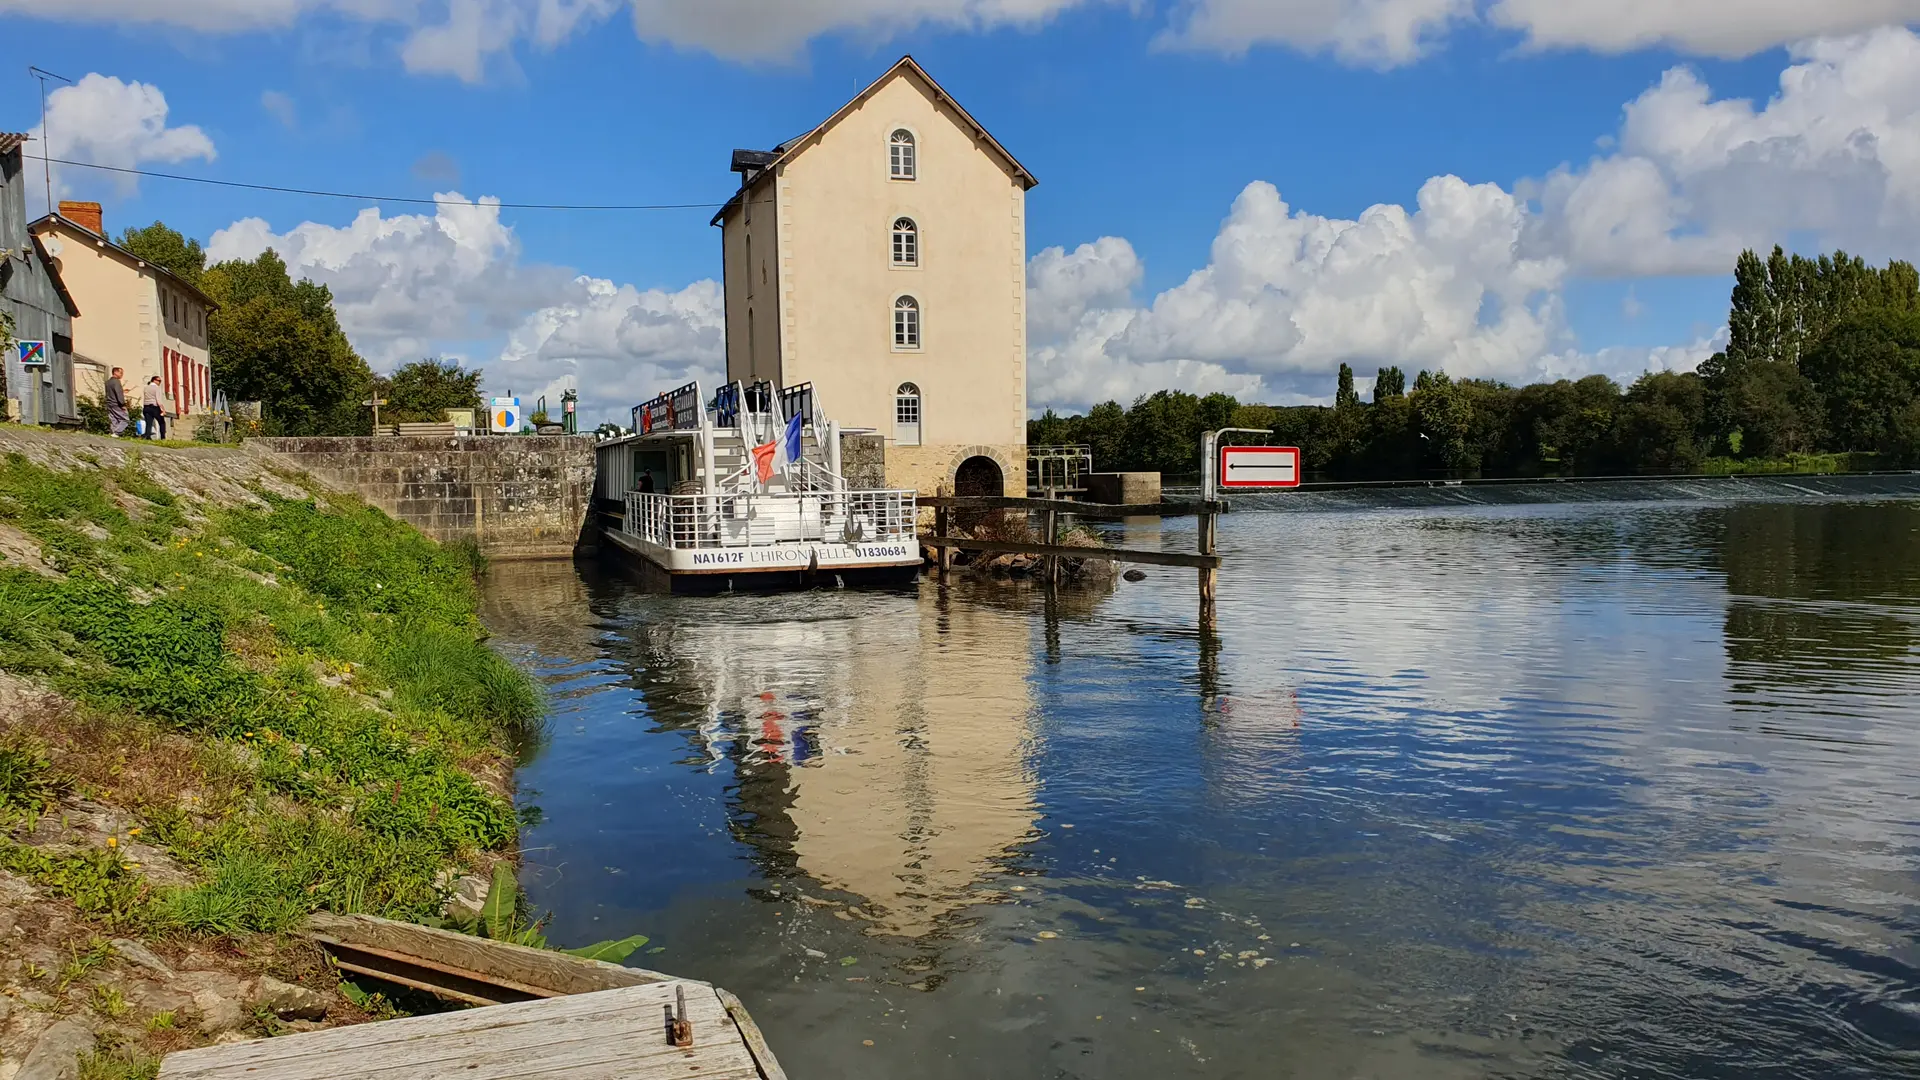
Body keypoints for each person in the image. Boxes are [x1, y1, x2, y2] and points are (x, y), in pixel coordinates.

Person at [103, 367, 129, 436]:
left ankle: (113, 433)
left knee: (113, 419)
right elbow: (118, 393)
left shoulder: (108, 382)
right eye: (121, 373)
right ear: (115, 372)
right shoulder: (116, 381)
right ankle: (117, 432)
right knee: (125, 419)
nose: (122, 375)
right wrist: (122, 404)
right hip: (116, 403)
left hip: (109, 403)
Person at [141, 376, 167, 441]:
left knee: (149, 423)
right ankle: (163, 437)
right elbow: (158, 400)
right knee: (162, 422)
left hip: (146, 407)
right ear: (154, 380)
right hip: (154, 407)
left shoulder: (146, 388)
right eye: (159, 381)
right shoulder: (156, 388)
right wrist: (163, 409)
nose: (159, 382)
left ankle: (147, 436)